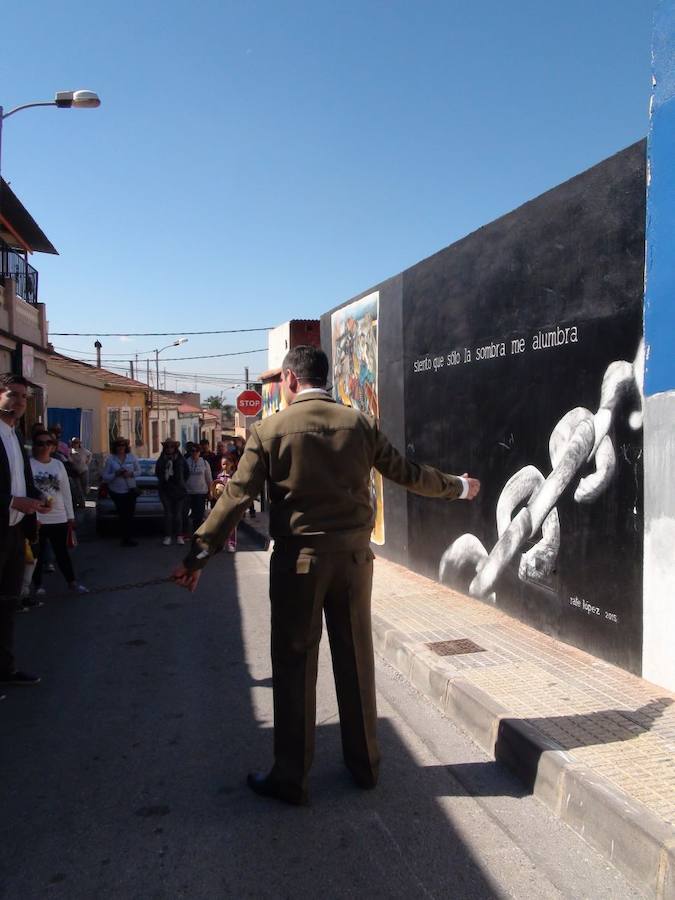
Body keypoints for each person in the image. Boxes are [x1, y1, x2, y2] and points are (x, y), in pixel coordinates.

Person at [172, 346, 480, 806]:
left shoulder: (269, 429)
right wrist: (457, 486)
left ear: (291, 381)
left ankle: (292, 778)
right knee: (356, 660)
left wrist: (197, 555)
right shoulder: (359, 424)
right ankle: (366, 766)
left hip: (300, 565)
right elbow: (407, 473)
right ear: (323, 378)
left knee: (295, 666)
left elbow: (235, 498)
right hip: (355, 562)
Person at [0, 374, 47, 687]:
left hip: (15, 532)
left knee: (8, 605)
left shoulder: (15, 435)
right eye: (12, 394)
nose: (19, 401)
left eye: (23, 397)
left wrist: (35, 498)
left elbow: (21, 479)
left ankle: (6, 668)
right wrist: (13, 500)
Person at [30, 430, 88, 596]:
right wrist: (31, 516)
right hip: (37, 517)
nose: (44, 446)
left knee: (62, 553)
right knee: (37, 555)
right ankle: (38, 585)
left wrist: (70, 516)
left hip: (58, 517)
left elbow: (65, 492)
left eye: (48, 443)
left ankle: (72, 583)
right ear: (34, 446)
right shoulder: (29, 465)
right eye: (40, 443)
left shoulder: (58, 465)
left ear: (53, 447)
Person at [102, 437, 141, 547]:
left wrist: (131, 474)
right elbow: (105, 476)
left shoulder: (132, 457)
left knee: (130, 515)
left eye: (123, 445)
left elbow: (139, 471)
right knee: (122, 515)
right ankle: (124, 537)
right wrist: (116, 474)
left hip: (130, 490)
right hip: (117, 492)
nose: (121, 448)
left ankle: (129, 537)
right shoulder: (111, 460)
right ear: (115, 447)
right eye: (119, 446)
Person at [155, 438, 187, 546]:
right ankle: (168, 536)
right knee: (168, 514)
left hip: (179, 490)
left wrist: (181, 482)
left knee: (178, 514)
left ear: (175, 448)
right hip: (165, 490)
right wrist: (164, 479)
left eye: (172, 446)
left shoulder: (181, 460)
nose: (169, 449)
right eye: (167, 447)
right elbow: (157, 472)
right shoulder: (161, 460)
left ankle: (179, 536)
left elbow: (187, 473)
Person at [209, 454, 238, 551]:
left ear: (231, 464)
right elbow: (214, 488)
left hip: (231, 502)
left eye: (226, 463)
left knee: (231, 524)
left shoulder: (235, 475)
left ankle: (231, 543)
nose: (224, 466)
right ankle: (220, 543)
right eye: (223, 464)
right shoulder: (218, 475)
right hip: (220, 502)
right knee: (220, 524)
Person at [184, 442, 212, 532]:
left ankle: (197, 531)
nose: (195, 453)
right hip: (188, 492)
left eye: (197, 451)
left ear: (200, 452)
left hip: (201, 492)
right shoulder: (186, 462)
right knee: (188, 513)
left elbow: (209, 478)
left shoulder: (204, 462)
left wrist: (210, 491)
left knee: (199, 514)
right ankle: (187, 531)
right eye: (193, 451)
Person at [69, 437, 92, 509]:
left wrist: (88, 461)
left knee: (84, 487)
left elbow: (90, 454)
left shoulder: (84, 451)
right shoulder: (70, 451)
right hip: (75, 471)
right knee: (78, 487)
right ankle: (81, 502)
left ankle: (82, 499)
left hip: (84, 470)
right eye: (74, 442)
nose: (76, 444)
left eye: (77, 442)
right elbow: (68, 458)